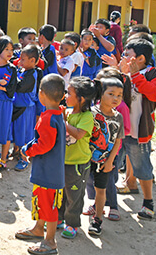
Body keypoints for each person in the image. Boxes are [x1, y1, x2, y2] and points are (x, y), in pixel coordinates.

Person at [15, 74, 66, 255]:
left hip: (48, 172)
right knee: (44, 203)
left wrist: (27, 151)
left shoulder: (48, 118)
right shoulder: (57, 113)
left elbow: (44, 144)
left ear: (41, 94)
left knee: (49, 206)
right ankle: (38, 228)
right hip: (50, 170)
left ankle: (50, 241)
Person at [119, 39, 156, 220]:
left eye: (128, 55)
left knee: (143, 168)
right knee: (110, 165)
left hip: (139, 131)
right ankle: (107, 203)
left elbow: (155, 94)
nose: (124, 58)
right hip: (120, 130)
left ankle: (148, 202)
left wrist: (135, 75)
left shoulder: (153, 74)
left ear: (141, 58)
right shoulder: (124, 73)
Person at [57, 77, 96, 239]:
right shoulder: (67, 112)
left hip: (78, 164)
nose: (66, 95)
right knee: (60, 192)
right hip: (63, 161)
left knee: (75, 196)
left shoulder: (87, 116)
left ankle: (72, 224)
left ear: (81, 99)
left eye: (69, 93)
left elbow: (79, 134)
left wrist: (63, 121)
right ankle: (58, 218)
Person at [87, 77, 125, 236]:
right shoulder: (91, 113)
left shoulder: (118, 117)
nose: (116, 98)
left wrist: (110, 161)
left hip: (104, 162)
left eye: (119, 95)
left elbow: (118, 141)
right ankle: (69, 220)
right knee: (79, 188)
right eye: (111, 94)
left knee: (101, 190)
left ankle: (97, 220)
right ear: (100, 94)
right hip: (86, 160)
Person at [0, 36, 18, 173]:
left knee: (4, 133)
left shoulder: (12, 69)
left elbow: (13, 87)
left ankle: (3, 160)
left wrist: (5, 88)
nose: (10, 53)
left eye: (11, 49)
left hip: (5, 104)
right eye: (6, 49)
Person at [12, 44, 42, 172]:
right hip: (18, 106)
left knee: (25, 134)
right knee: (16, 131)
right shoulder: (23, 71)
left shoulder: (32, 74)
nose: (20, 61)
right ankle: (16, 151)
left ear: (33, 61)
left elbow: (19, 87)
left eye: (23, 59)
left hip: (26, 109)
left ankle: (24, 158)